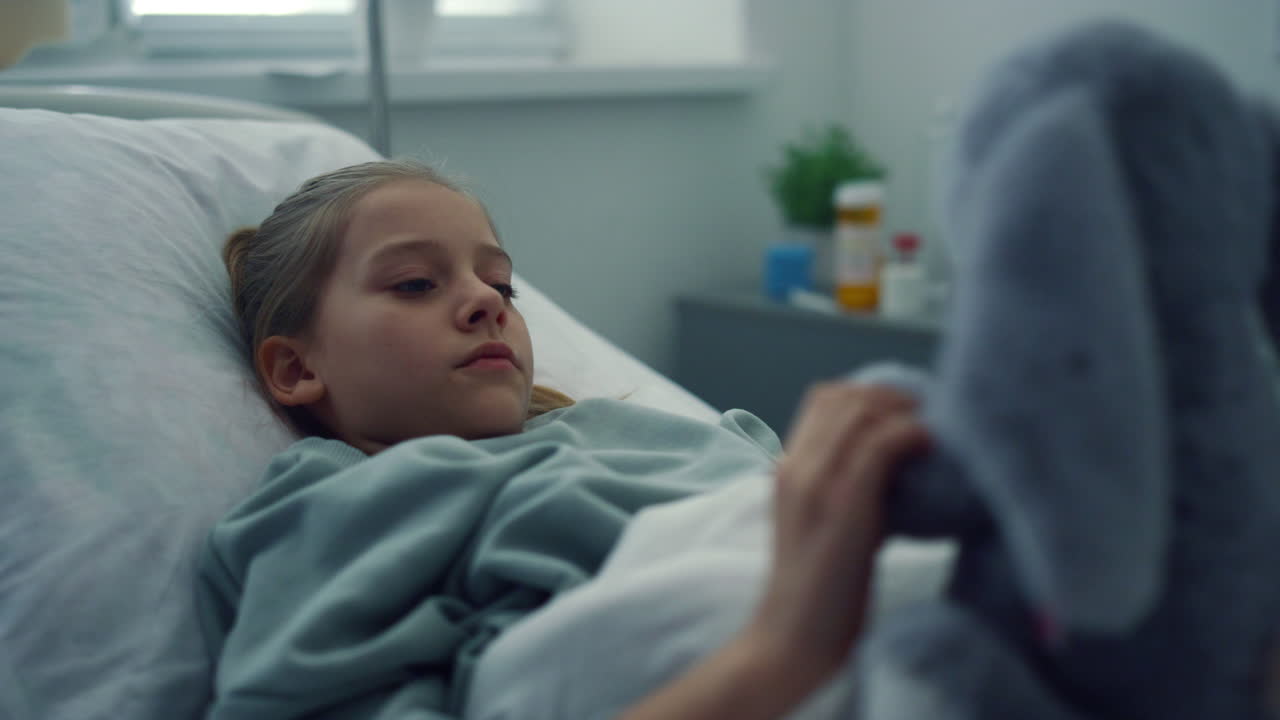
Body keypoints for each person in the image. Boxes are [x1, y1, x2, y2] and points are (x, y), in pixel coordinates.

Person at [207, 158, 931, 719]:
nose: (487, 300)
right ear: (298, 367)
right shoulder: (342, 501)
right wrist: (782, 652)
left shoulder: (644, 431)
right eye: (415, 284)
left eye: (503, 286)